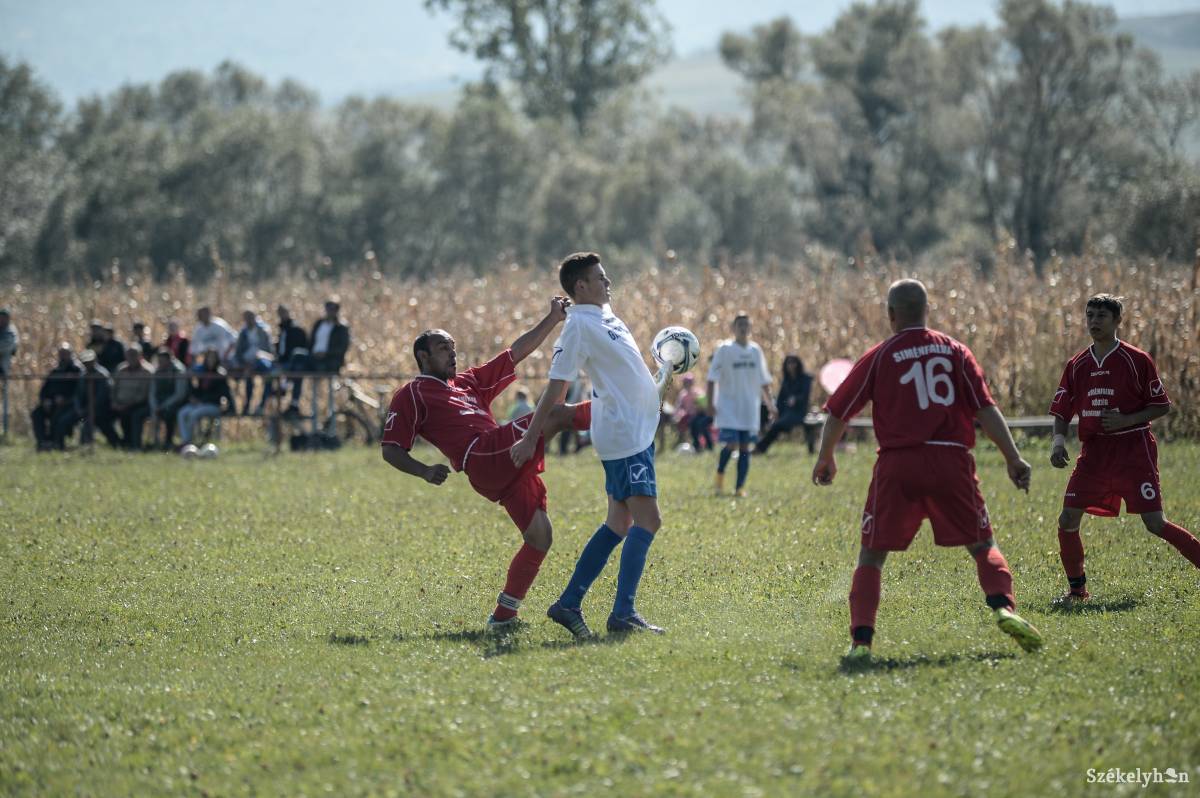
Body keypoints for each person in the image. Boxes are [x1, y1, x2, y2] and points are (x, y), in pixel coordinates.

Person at [812, 278, 1042, 663]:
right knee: (982, 545)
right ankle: (1004, 608)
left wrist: (825, 458)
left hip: (898, 465)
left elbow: (838, 411)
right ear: (926, 311)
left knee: (871, 557)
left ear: (890, 315)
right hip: (952, 461)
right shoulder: (954, 351)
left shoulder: (881, 355)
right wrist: (1013, 458)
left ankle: (860, 644)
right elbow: (986, 409)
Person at [380, 297, 590, 631]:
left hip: (500, 461)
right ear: (423, 356)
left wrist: (552, 319)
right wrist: (422, 470)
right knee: (554, 414)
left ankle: (503, 618)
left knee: (540, 535)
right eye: (442, 348)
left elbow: (514, 353)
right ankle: (625, 410)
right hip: (482, 455)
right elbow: (390, 448)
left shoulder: (467, 382)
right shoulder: (412, 394)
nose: (452, 353)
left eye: (453, 347)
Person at [513, 252, 673, 638]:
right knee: (649, 520)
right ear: (580, 286)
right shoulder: (579, 326)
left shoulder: (608, 315)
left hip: (637, 430)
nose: (608, 283)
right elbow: (557, 385)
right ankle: (623, 614)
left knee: (619, 524)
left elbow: (626, 374)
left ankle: (569, 603)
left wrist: (666, 370)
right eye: (600, 278)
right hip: (624, 434)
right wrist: (531, 436)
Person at [1049, 293, 1199, 601]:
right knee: (1067, 519)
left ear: (1118, 320)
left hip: (1134, 451)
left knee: (1155, 524)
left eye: (1101, 316)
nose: (1094, 321)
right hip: (1094, 455)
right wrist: (1058, 441)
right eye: (1089, 315)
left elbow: (1161, 406)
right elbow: (1062, 409)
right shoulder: (1077, 364)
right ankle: (1077, 591)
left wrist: (1126, 419)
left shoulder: (1137, 359)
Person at [707, 314, 776, 496]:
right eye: (740, 325)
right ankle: (720, 476)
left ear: (750, 327)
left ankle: (739, 488)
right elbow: (711, 378)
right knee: (731, 444)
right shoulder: (725, 349)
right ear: (733, 328)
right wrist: (710, 403)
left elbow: (764, 381)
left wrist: (771, 405)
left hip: (749, 408)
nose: (743, 328)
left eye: (746, 324)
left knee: (745, 448)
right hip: (728, 406)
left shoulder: (755, 351)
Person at [54, 349, 117, 448]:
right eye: (85, 362)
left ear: (94, 360)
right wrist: (79, 409)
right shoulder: (83, 375)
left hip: (100, 409)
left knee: (89, 425)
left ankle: (86, 447)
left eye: (89, 362)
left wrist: (89, 409)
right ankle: (59, 446)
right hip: (83, 409)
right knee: (63, 421)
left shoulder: (102, 375)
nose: (87, 364)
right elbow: (78, 395)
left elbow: (102, 397)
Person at [756, 354, 815, 455]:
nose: (791, 365)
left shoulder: (806, 379)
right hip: (785, 411)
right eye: (789, 363)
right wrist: (774, 411)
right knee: (762, 409)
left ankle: (760, 448)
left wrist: (795, 399)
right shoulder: (786, 380)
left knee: (777, 426)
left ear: (798, 364)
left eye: (793, 362)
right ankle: (757, 437)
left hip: (799, 412)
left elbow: (805, 396)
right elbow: (780, 399)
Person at [31, 344, 83, 451]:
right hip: (52, 403)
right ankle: (43, 442)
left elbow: (80, 392)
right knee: (37, 413)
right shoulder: (55, 371)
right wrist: (45, 400)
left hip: (70, 405)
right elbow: (44, 390)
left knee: (59, 418)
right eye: (61, 354)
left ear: (71, 355)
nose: (63, 357)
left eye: (65, 354)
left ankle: (57, 444)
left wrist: (66, 400)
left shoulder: (77, 371)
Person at [178, 350, 234, 447]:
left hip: (213, 405)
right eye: (209, 358)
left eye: (213, 358)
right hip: (200, 404)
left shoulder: (220, 374)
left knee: (194, 414)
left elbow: (224, 394)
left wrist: (230, 407)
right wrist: (193, 397)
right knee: (183, 412)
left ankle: (188, 442)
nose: (211, 360)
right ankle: (185, 440)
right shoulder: (202, 372)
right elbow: (197, 390)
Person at [145, 348, 189, 449]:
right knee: (142, 413)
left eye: (163, 361)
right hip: (159, 403)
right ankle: (153, 442)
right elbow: (152, 392)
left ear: (170, 360)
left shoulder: (178, 370)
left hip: (175, 403)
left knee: (169, 414)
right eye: (159, 361)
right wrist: (155, 406)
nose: (161, 363)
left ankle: (168, 442)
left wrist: (164, 406)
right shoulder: (157, 371)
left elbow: (179, 394)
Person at [110, 346, 154, 448]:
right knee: (101, 415)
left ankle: (135, 445)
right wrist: (114, 402)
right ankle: (118, 443)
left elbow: (143, 394)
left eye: (134, 355)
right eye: (129, 355)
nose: (131, 358)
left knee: (134, 416)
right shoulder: (121, 369)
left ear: (140, 356)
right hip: (119, 404)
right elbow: (113, 389)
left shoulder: (147, 371)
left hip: (140, 404)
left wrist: (126, 405)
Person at [234, 309, 274, 415]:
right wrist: (243, 363)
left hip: (263, 362)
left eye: (251, 317)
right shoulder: (243, 332)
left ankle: (262, 404)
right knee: (248, 378)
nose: (249, 320)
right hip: (247, 363)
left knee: (269, 376)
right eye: (246, 317)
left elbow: (270, 351)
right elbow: (238, 352)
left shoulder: (263, 330)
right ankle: (247, 405)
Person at [273, 304, 309, 414]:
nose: (282, 315)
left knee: (295, 374)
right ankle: (270, 403)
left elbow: (299, 348)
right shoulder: (282, 329)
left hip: (293, 363)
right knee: (270, 374)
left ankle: (290, 398)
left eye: (283, 312)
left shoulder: (296, 329)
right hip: (282, 363)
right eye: (280, 313)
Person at [309, 301, 350, 374]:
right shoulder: (319, 323)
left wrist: (326, 353)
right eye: (328, 309)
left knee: (330, 378)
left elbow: (343, 347)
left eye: (333, 310)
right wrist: (313, 353)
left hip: (331, 360)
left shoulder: (341, 327)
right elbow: (311, 340)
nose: (330, 312)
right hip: (314, 357)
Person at [0, 307, 18, 376]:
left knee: (3, 381)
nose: (2, 320)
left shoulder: (11, 331)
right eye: (1, 317)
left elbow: (8, 345)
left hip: (4, 361)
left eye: (4, 318)